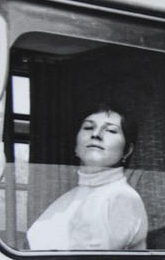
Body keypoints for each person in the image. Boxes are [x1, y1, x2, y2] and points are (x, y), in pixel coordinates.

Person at [27, 104, 148, 250]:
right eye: (88, 127)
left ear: (127, 151)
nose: (96, 134)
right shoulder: (67, 198)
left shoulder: (122, 197)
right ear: (76, 147)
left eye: (110, 130)